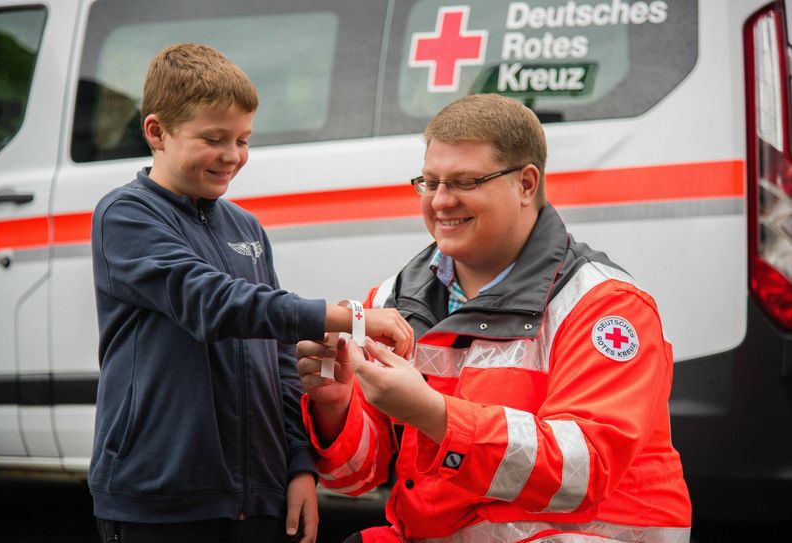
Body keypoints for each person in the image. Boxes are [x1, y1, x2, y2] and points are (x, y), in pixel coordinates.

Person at [297, 94, 692, 543]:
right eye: (429, 182)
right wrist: (334, 404)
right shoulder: (393, 297)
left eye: (465, 181)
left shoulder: (605, 305)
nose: (441, 201)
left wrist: (435, 415)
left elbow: (582, 474)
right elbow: (351, 479)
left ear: (526, 184)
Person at [88, 43, 412, 543]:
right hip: (159, 499)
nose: (233, 156)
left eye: (243, 139)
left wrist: (298, 467)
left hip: (257, 497)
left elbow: (281, 358)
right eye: (214, 138)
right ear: (156, 131)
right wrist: (346, 317)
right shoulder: (125, 215)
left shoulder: (246, 227)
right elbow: (212, 304)